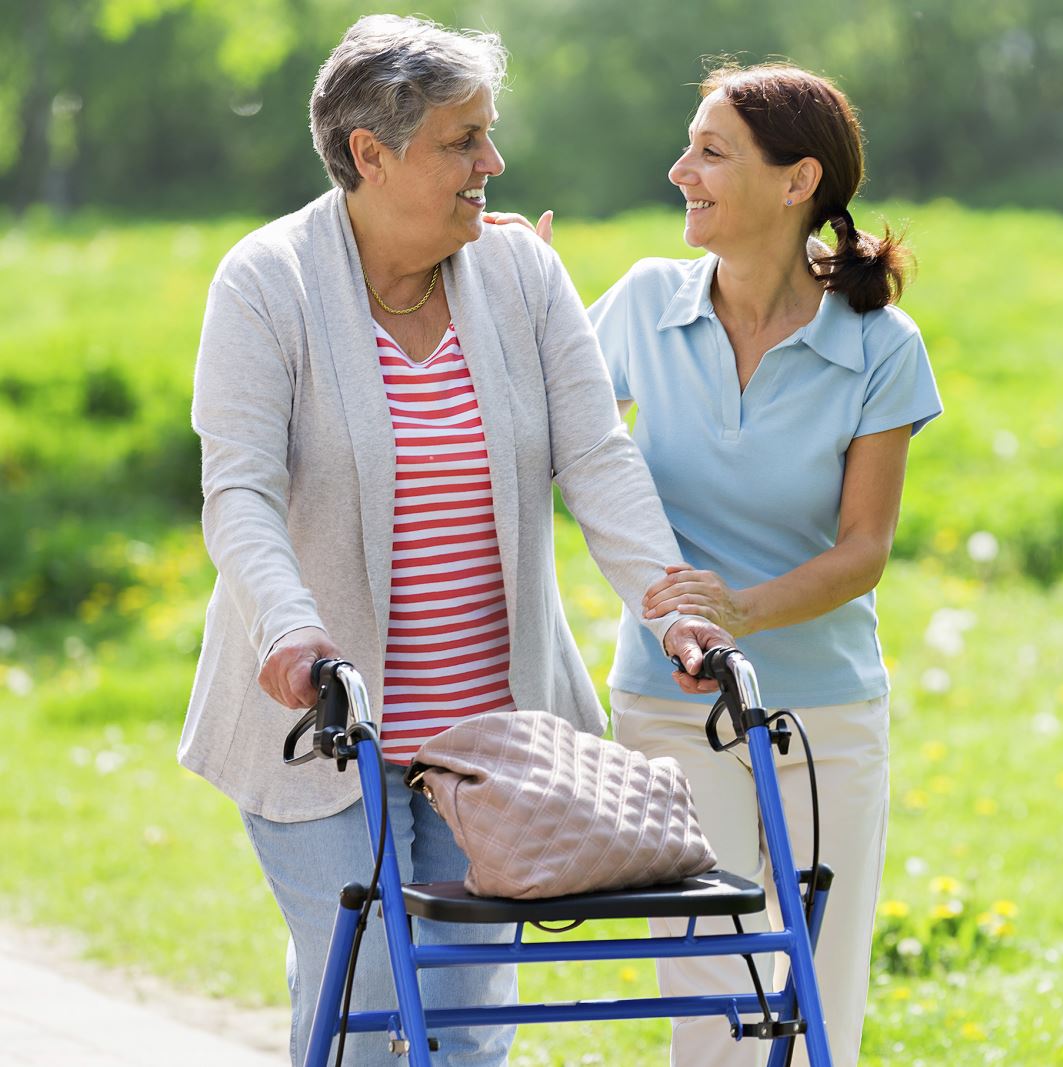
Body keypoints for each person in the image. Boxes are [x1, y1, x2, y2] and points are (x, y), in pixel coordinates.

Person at [178, 17, 733, 1066]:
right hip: (330, 724)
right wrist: (292, 631)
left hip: (493, 735)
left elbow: (599, 457)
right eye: (461, 140)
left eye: (489, 134)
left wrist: (671, 602)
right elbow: (238, 493)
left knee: (471, 1010)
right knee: (374, 989)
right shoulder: (266, 284)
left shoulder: (520, 273)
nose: (494, 162)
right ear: (369, 154)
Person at [491, 62, 941, 1066]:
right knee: (712, 999)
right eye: (689, 145)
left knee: (819, 990)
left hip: (825, 709)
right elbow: (554, 433)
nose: (678, 168)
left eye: (710, 151)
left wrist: (742, 609)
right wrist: (525, 304)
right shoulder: (647, 300)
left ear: (796, 182)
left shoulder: (879, 343)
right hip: (670, 699)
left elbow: (863, 549)